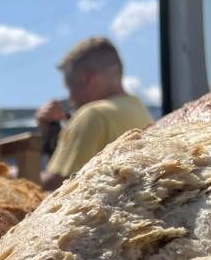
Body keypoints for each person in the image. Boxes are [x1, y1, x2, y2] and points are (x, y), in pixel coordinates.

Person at [35, 37, 154, 191]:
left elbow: (57, 186)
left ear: (87, 79)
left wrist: (7, 176)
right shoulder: (139, 109)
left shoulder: (93, 115)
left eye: (70, 87)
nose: (70, 98)